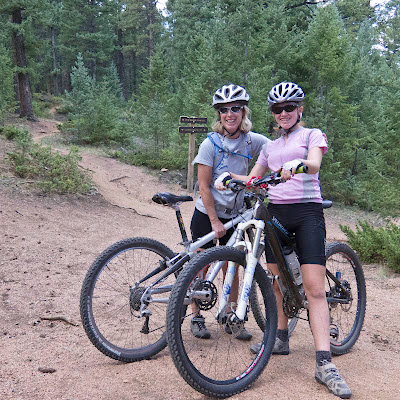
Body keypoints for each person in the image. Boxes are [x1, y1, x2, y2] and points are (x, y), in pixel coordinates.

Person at [216, 82, 351, 399]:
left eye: (289, 107)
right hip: (276, 213)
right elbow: (254, 179)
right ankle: (279, 338)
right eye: (278, 109)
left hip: (307, 213)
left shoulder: (312, 135)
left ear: (299, 110)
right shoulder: (270, 147)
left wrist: (298, 165)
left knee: (314, 290)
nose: (284, 113)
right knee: (276, 280)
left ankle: (325, 364)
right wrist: (230, 178)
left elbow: (314, 163)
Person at [190, 83, 270, 340]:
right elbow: (203, 186)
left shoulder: (251, 141)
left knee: (232, 267)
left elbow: (276, 151)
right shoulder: (210, 144)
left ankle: (231, 316)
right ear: (219, 114)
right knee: (200, 266)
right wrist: (214, 221)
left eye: (235, 108)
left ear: (243, 112)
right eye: (224, 110)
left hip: (235, 215)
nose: (229, 114)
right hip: (207, 214)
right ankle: (196, 316)